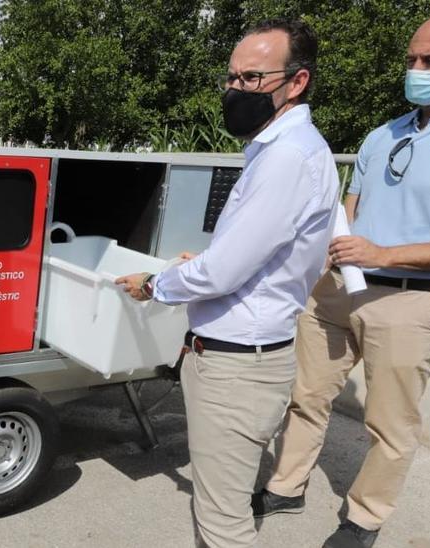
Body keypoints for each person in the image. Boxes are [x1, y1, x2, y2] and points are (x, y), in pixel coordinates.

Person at [254, 7, 430, 548]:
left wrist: (385, 251)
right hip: (339, 288)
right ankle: (287, 486)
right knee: (305, 397)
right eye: (412, 58)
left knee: (390, 425)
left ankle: (364, 519)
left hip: (411, 301)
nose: (417, 69)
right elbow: (351, 211)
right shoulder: (386, 132)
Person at [118, 18, 339, 548]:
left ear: (297, 81)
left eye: (252, 79)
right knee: (219, 505)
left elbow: (225, 272)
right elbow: (257, 254)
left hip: (238, 367)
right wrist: (212, 260)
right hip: (235, 356)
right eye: (232, 78)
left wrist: (156, 284)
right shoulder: (279, 149)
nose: (235, 90)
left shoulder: (287, 157)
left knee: (223, 522)